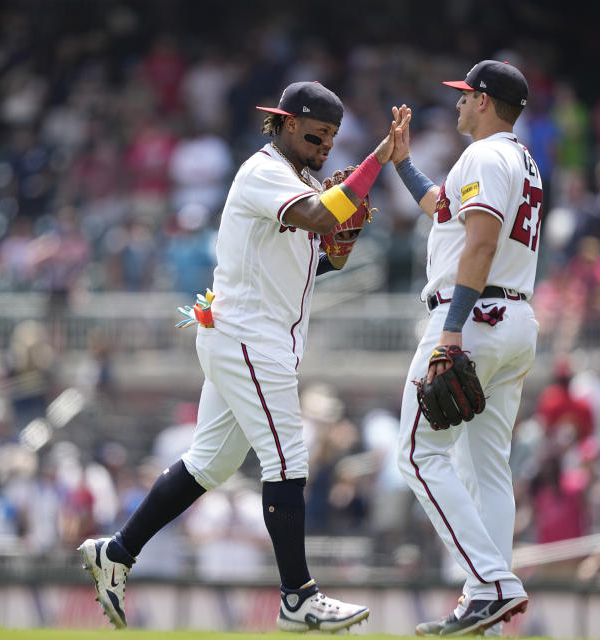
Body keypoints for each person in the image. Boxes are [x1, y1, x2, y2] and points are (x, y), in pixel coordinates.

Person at [78, 81, 408, 633]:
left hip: (251, 335)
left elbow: (315, 257)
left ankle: (117, 552)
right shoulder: (264, 171)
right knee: (287, 460)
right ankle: (298, 596)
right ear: (281, 122)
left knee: (209, 463)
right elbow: (322, 217)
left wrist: (340, 248)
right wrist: (377, 160)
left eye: (331, 137)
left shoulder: (297, 180)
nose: (324, 145)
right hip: (249, 337)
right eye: (314, 132)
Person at [390, 60, 541, 636]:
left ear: (483, 100)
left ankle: (491, 584)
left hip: (472, 314)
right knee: (486, 467)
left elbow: (478, 243)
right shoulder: (519, 159)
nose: (456, 103)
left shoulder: (484, 156)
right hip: (514, 316)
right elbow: (445, 211)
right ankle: (491, 611)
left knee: (417, 454)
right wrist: (402, 165)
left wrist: (452, 329)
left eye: (462, 95)